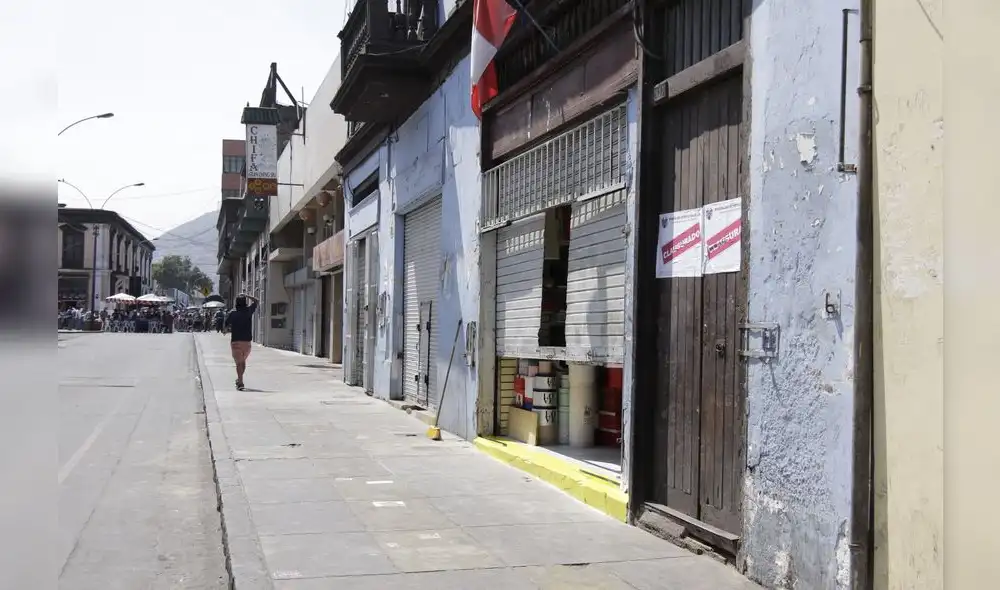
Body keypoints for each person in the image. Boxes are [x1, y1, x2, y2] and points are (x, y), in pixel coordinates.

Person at [225, 293, 258, 390]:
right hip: (247, 343)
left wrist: (225, 330)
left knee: (239, 363)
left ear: (236, 303)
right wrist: (247, 295)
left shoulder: (233, 313)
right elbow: (256, 301)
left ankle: (240, 382)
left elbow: (225, 326)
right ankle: (239, 380)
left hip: (236, 341)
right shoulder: (248, 311)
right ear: (245, 302)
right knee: (242, 362)